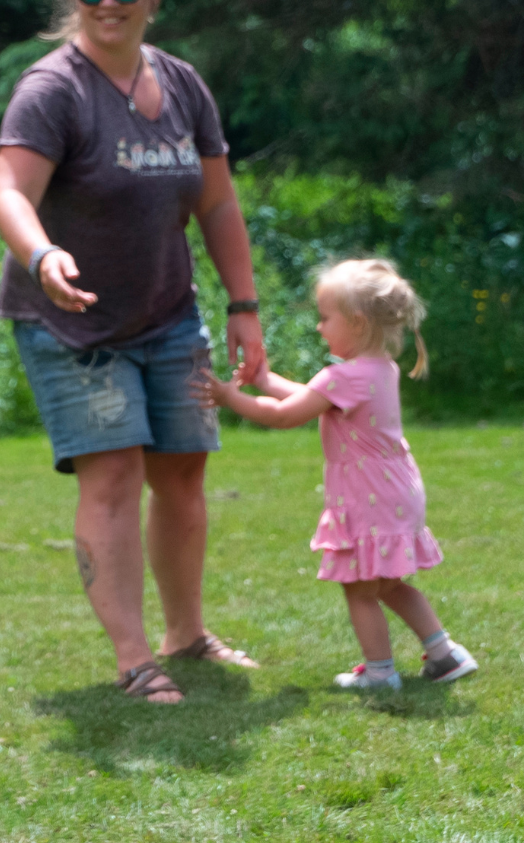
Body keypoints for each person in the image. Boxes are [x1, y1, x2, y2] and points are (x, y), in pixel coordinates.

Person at [0, 0, 267, 705]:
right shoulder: (53, 90)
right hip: (72, 323)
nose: (107, 3)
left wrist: (243, 303)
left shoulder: (181, 83)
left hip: (170, 315)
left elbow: (216, 204)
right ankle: (134, 659)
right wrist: (42, 254)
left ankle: (187, 635)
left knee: (182, 476)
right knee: (111, 476)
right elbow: (9, 190)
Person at [197, 258, 479, 690]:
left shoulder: (343, 376)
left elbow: (287, 416)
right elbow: (314, 398)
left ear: (358, 323)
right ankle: (444, 654)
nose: (318, 328)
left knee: (359, 589)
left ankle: (381, 673)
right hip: (396, 491)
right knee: (388, 584)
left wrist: (229, 397)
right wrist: (266, 380)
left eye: (325, 318)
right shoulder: (378, 369)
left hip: (369, 496)